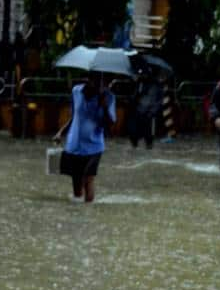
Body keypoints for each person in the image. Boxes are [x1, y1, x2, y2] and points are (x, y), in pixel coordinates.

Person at [53, 73, 116, 203]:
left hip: (94, 146)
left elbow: (110, 124)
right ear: (88, 79)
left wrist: (104, 106)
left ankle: (89, 209)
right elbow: (74, 115)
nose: (99, 85)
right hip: (74, 144)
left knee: (89, 178)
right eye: (95, 80)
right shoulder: (76, 91)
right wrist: (61, 132)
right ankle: (78, 211)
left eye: (102, 82)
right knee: (77, 187)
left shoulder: (108, 97)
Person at [129, 68, 162, 149]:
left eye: (143, 74)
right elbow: (134, 95)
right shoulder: (139, 83)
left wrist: (152, 111)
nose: (142, 75)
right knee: (133, 131)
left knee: (148, 134)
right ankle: (135, 145)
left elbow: (158, 100)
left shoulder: (155, 85)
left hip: (148, 113)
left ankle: (148, 145)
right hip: (138, 110)